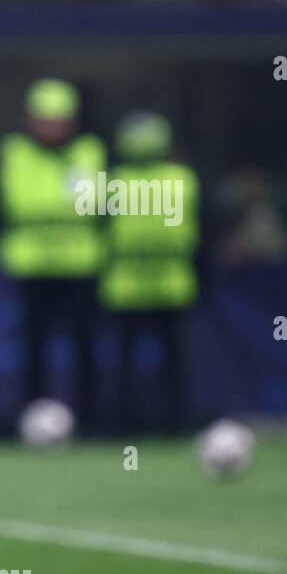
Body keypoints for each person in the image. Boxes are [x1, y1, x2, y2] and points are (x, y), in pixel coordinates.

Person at [0, 78, 106, 432]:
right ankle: (33, 419)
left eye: (59, 119)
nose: (52, 126)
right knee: (34, 348)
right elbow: (11, 204)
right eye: (45, 119)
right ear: (31, 120)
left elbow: (97, 205)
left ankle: (90, 421)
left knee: (86, 346)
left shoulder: (91, 151)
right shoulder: (15, 152)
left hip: (80, 265)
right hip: (32, 266)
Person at [100, 111, 199, 434]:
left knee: (168, 360)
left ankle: (171, 422)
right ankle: (132, 423)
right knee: (132, 361)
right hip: (136, 283)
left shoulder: (178, 179)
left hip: (160, 282)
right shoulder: (115, 183)